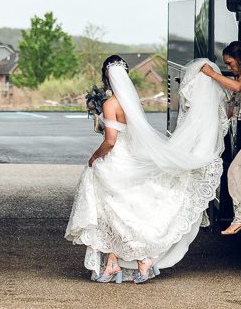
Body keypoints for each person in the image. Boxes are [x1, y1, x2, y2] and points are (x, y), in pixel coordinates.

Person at [65, 55, 229, 283]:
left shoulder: (110, 104)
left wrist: (94, 157)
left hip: (115, 160)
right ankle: (115, 262)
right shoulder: (130, 102)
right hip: (131, 158)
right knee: (115, 212)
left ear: (106, 76)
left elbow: (111, 141)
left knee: (106, 210)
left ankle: (136, 260)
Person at [200, 41, 241, 235]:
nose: (229, 68)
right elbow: (231, 109)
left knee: (235, 171)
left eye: (230, 63)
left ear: (240, 58)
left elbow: (239, 87)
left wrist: (212, 74)